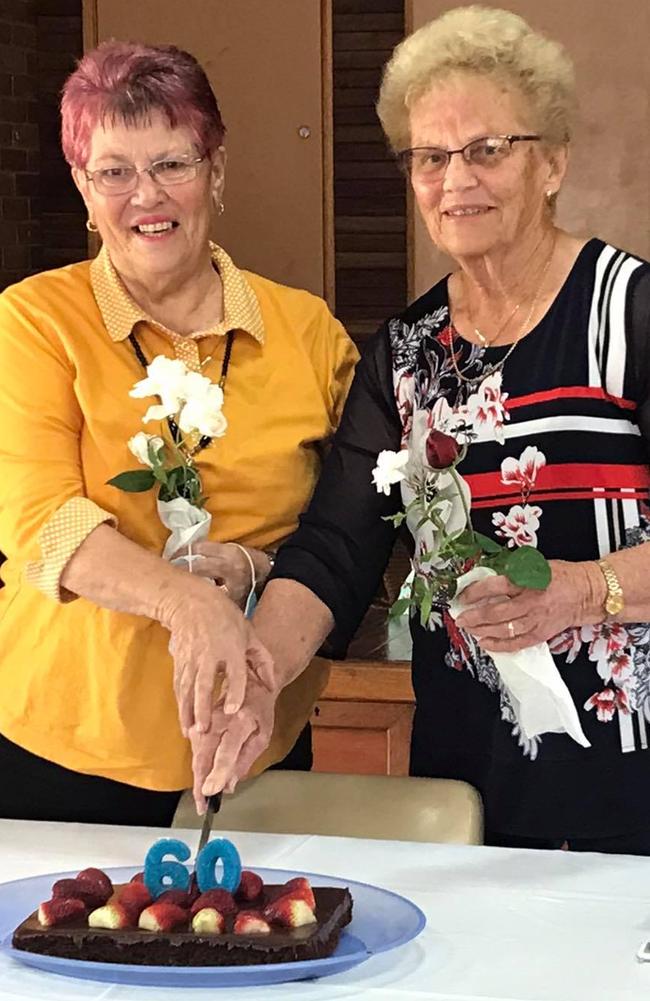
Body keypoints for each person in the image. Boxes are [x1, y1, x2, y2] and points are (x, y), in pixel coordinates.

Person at [192, 6, 650, 853]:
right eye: (430, 156)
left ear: (552, 162)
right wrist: (258, 674)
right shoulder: (405, 353)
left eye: (486, 150)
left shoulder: (631, 313)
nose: (454, 179)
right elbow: (335, 548)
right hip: (469, 768)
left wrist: (586, 589)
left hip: (632, 769)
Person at [0, 41, 357, 826]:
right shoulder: (32, 321)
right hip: (59, 750)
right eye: (114, 171)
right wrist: (188, 607)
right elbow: (40, 522)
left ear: (217, 173)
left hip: (256, 745)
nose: (145, 195)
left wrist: (254, 569)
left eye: (173, 164)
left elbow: (357, 534)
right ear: (82, 191)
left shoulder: (309, 333)